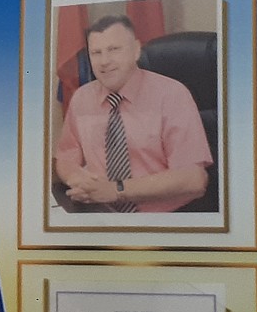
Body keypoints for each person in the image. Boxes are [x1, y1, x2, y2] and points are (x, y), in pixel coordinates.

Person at [53, 14, 212, 213]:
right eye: (96, 53)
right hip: (102, 212)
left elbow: (194, 179)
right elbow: (66, 157)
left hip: (163, 217)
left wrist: (117, 190)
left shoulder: (172, 94)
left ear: (136, 50)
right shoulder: (82, 98)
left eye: (114, 50)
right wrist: (77, 178)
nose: (104, 61)